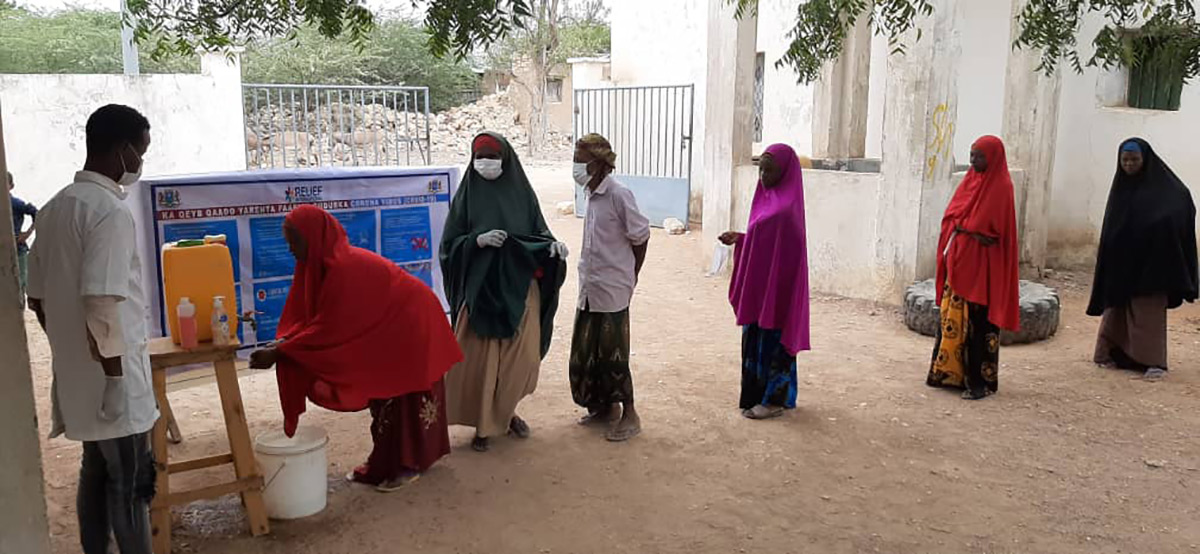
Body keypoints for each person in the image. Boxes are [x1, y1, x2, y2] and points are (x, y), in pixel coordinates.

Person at [248, 205, 462, 491]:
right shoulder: (319, 268)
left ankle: (409, 465)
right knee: (384, 399)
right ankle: (385, 462)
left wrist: (281, 351)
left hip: (414, 326)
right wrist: (286, 343)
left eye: (294, 240)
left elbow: (331, 329)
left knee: (405, 398)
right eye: (288, 241)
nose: (290, 249)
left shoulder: (343, 269)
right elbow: (315, 320)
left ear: (313, 237)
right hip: (391, 329)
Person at [26, 104, 157, 554]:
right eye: (139, 152)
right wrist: (116, 378)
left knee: (95, 472)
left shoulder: (54, 208)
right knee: (131, 481)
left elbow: (38, 298)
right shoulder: (108, 213)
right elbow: (101, 301)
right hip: (110, 378)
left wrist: (66, 347)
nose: (139, 163)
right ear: (121, 149)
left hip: (81, 375)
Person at [441, 132, 568, 452]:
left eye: (492, 157)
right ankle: (484, 426)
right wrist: (476, 241)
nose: (485, 163)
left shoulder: (522, 194)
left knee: (518, 360)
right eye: (479, 157)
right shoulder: (467, 194)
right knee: (480, 363)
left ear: (506, 159)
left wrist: (552, 246)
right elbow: (449, 245)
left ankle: (506, 413)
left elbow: (538, 233)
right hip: (481, 291)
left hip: (519, 288)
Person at [1087, 138, 1197, 381]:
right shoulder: (1121, 189)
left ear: (1145, 160)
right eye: (1124, 160)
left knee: (1147, 313)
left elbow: (1182, 209)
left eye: (1134, 160)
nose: (1129, 165)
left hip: (1153, 265)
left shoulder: (1168, 189)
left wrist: (1160, 230)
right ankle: (1111, 353)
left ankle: (1153, 361)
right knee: (1117, 308)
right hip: (1123, 262)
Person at [569, 133, 651, 441]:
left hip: (613, 288)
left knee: (614, 354)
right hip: (590, 285)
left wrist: (633, 275)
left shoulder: (619, 194)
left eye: (580, 160)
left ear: (599, 163)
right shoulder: (591, 193)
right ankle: (604, 407)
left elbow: (641, 237)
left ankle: (630, 414)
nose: (575, 166)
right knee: (589, 351)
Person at [718, 143, 810, 420]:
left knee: (773, 341)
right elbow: (763, 241)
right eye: (760, 169)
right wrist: (742, 239)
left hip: (777, 292)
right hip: (761, 288)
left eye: (769, 170)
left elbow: (785, 254)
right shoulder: (766, 199)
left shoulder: (786, 210)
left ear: (784, 172)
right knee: (756, 338)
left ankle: (774, 400)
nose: (763, 176)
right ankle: (758, 395)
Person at [926, 135, 1020, 400]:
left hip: (983, 272)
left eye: (979, 156)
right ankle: (948, 374)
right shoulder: (970, 181)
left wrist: (968, 228)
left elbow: (993, 232)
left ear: (992, 157)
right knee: (952, 320)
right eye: (971, 155)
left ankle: (978, 383)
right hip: (960, 264)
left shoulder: (1001, 187)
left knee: (978, 326)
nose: (973, 161)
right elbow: (953, 217)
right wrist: (969, 229)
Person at [10, 171, 37, 308]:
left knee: (19, 283)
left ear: (11, 186)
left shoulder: (15, 203)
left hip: (17, 248)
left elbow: (36, 213)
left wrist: (27, 233)